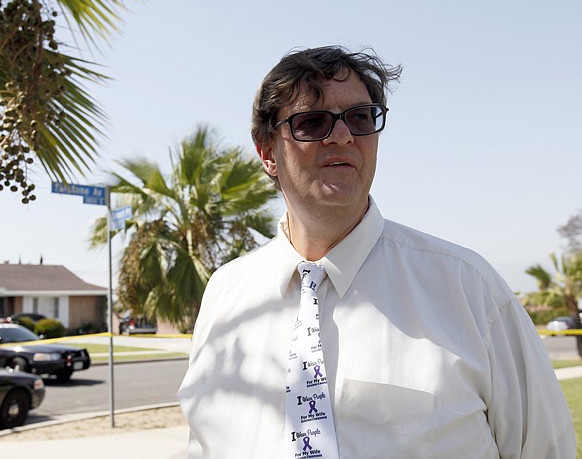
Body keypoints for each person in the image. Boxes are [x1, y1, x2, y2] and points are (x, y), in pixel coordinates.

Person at [177, 45, 575, 458]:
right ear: (267, 153)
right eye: (312, 122)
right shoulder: (225, 295)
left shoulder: (469, 290)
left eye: (360, 118)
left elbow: (546, 449)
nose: (344, 136)